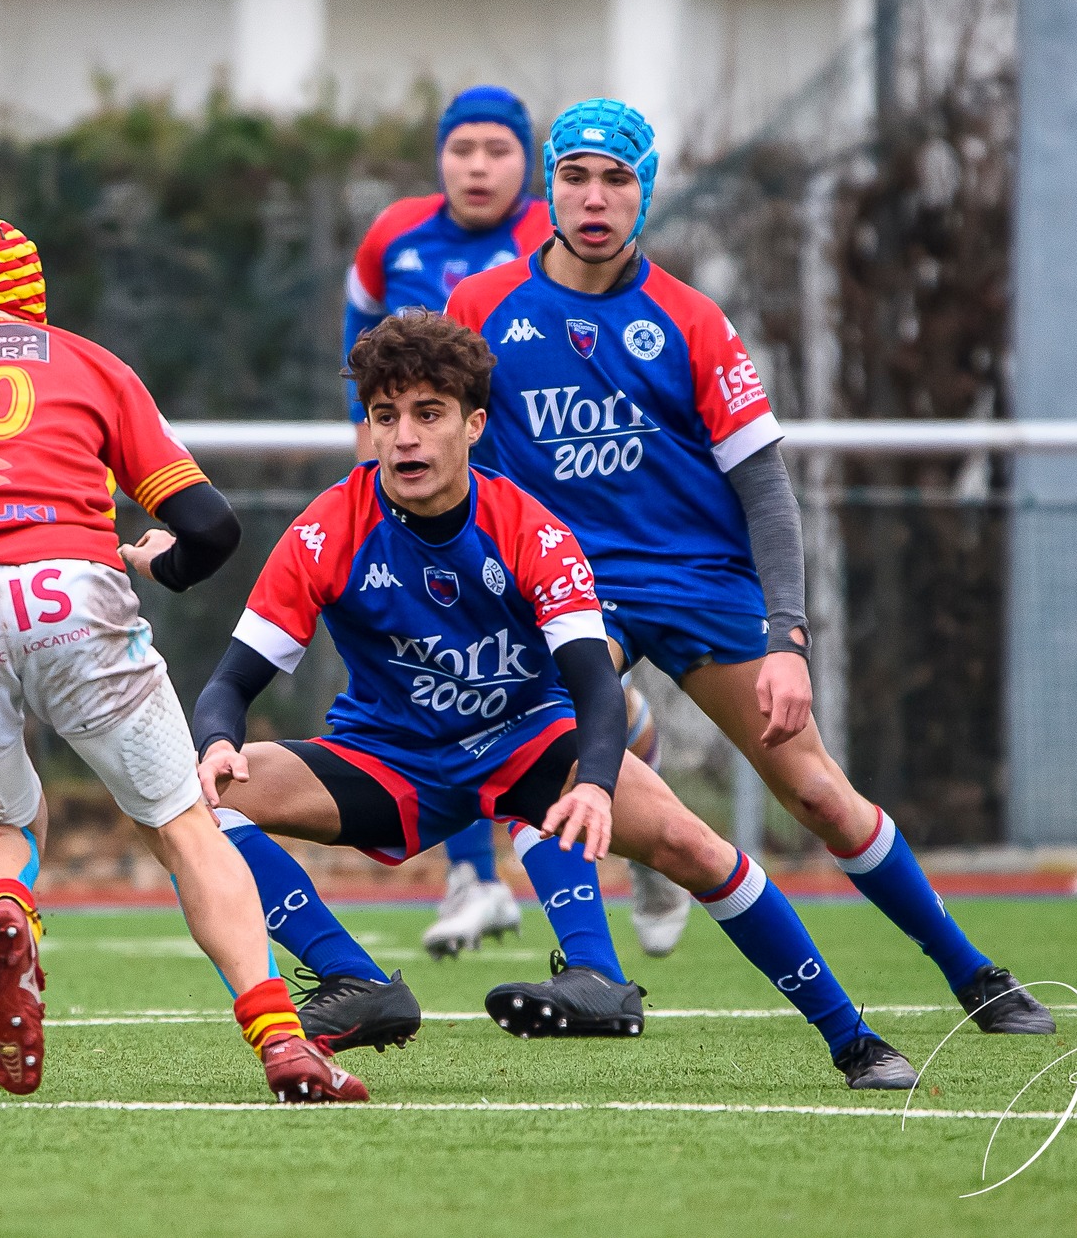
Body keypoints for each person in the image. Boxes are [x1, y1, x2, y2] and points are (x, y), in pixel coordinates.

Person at [444, 99, 1056, 1036]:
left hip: (699, 581)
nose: (595, 198)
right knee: (553, 744)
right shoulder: (480, 310)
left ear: (646, 192)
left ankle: (973, 972)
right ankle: (595, 972)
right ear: (550, 186)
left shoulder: (689, 320)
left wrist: (788, 639)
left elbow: (767, 493)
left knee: (816, 792)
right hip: (571, 588)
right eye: (576, 176)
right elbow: (454, 458)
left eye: (618, 179)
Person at [192, 312, 922, 1089]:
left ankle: (856, 1041)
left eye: (428, 414)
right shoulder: (328, 526)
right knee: (191, 798)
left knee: (695, 847)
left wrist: (598, 785)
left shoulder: (529, 529)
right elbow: (231, 683)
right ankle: (357, 981)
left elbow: (595, 689)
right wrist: (218, 740)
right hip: (388, 759)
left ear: (474, 424)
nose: (403, 436)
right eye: (385, 416)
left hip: (525, 740)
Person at [0, 215, 366, 1103]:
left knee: (0, 830)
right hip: (67, 590)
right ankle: (285, 1043)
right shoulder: (87, 363)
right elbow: (211, 525)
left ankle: (4, 905)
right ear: (31, 287)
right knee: (184, 828)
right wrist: (166, 566)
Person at [341, 84, 689, 959]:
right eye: (463, 150)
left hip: (556, 520)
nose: (478, 166)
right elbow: (365, 362)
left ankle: (643, 845)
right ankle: (477, 878)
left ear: (524, 164)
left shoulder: (566, 227)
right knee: (450, 676)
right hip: (448, 512)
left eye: (498, 150)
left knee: (554, 703)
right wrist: (372, 467)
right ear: (440, 158)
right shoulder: (393, 236)